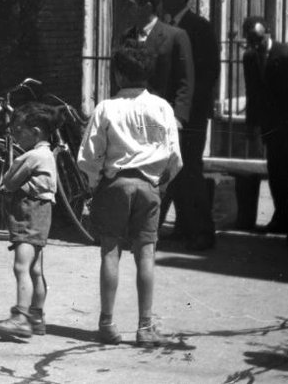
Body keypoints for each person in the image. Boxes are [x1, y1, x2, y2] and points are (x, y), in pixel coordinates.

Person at [78, 40, 183, 348]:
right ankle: (145, 326)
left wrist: (97, 181)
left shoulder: (107, 108)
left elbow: (87, 156)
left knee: (110, 251)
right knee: (146, 254)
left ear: (119, 75)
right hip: (149, 186)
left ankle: (107, 323)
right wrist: (159, 185)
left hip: (116, 184)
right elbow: (175, 157)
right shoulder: (162, 107)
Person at [0, 103, 57, 341]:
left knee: (21, 266)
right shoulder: (47, 154)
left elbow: (10, 181)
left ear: (35, 132)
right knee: (35, 268)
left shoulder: (32, 156)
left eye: (19, 130)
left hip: (29, 212)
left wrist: (2, 186)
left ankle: (21, 318)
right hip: (42, 213)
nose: (15, 135)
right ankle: (36, 316)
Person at [159, 0, 218, 251]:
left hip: (191, 115)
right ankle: (183, 227)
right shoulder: (167, 26)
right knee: (176, 170)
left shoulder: (199, 27)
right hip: (171, 113)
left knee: (191, 170)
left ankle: (204, 231)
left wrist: (189, 112)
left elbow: (207, 74)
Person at [241, 16, 288, 234]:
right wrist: (251, 125)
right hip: (270, 126)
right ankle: (282, 216)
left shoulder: (286, 55)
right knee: (277, 173)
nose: (254, 44)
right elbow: (252, 93)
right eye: (249, 39)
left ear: (267, 32)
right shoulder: (249, 58)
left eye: (257, 38)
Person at [121, 0, 194, 127]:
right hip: (130, 117)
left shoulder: (175, 36)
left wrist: (178, 118)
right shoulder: (126, 36)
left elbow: (185, 81)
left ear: (147, 7)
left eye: (130, 4)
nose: (126, 9)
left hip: (162, 118)